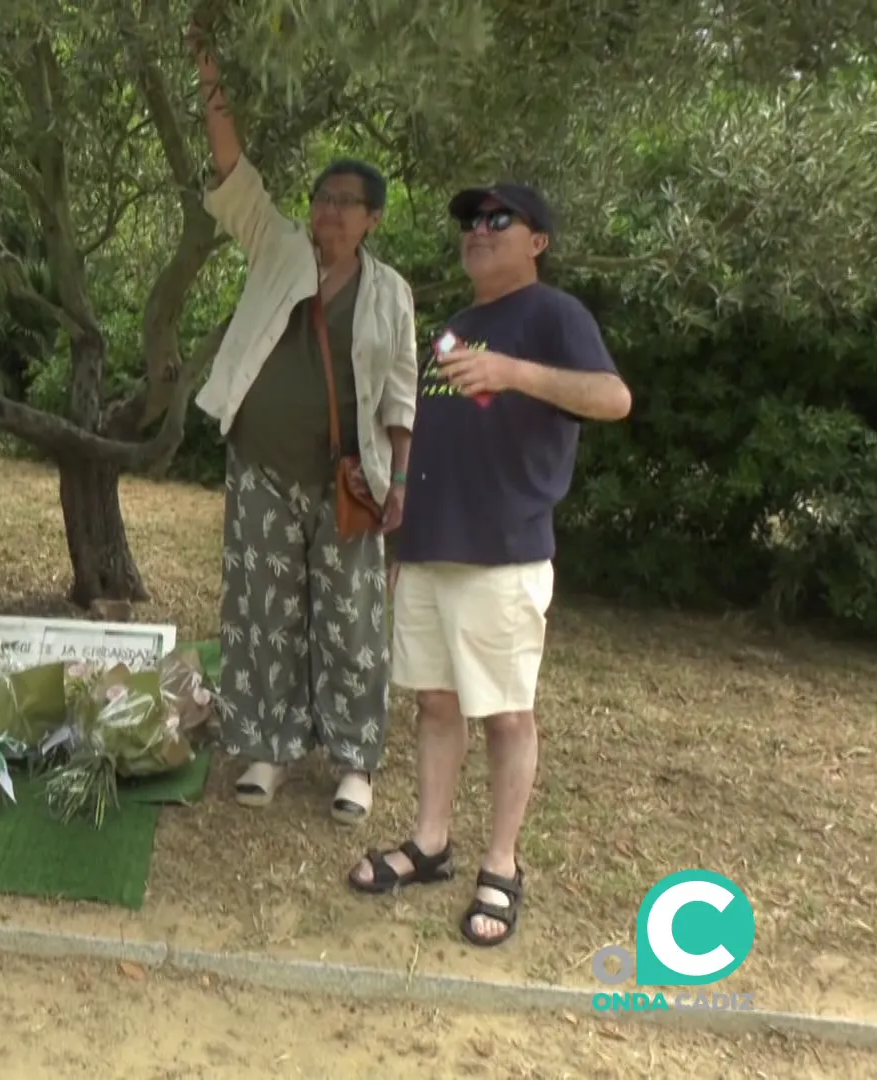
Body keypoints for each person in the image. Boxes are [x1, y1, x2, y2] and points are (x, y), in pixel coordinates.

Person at [347, 183, 632, 948]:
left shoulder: (554, 316)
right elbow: (437, 439)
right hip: (434, 550)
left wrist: (515, 373)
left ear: (537, 240)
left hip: (503, 553)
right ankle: (431, 843)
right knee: (436, 706)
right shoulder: (458, 328)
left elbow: (613, 398)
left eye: (497, 220)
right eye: (471, 221)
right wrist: (407, 534)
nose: (478, 230)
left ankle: (501, 864)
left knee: (507, 713)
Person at [188, 29, 420, 823]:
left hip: (349, 480)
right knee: (260, 612)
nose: (328, 210)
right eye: (323, 198)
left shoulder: (392, 294)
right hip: (261, 467)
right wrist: (211, 78)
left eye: (345, 202)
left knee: (354, 622)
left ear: (372, 218)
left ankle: (355, 762)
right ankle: (266, 749)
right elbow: (234, 175)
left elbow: (401, 394)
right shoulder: (279, 247)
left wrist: (401, 482)